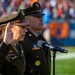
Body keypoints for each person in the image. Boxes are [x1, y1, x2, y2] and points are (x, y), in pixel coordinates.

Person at [20, 2, 51, 75]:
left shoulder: (41, 38)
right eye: (37, 17)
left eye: (41, 16)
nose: (41, 19)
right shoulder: (22, 39)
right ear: (27, 20)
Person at [0, 10, 30, 75]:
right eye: (22, 27)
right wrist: (5, 45)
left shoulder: (18, 45)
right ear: (9, 28)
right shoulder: (1, 45)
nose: (26, 30)